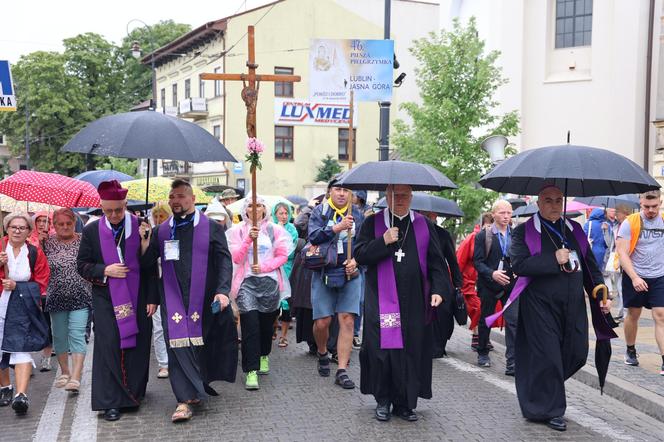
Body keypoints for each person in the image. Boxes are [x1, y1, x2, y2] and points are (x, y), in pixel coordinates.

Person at [509, 185, 613, 431]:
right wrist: (553, 260)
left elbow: (589, 266)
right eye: (548, 200)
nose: (554, 205)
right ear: (538, 202)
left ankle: (541, 389)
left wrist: (600, 292)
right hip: (539, 305)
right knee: (549, 356)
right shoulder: (523, 231)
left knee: (577, 352)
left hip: (573, 304)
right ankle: (551, 409)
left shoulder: (574, 229)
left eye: (558, 200)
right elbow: (519, 265)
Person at [141, 179, 238, 422]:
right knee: (177, 346)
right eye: (172, 197)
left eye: (182, 196)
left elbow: (224, 261)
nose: (176, 201)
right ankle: (183, 400)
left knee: (198, 344)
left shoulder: (210, 227)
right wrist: (144, 242)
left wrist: (223, 291)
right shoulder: (161, 231)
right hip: (172, 296)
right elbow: (147, 265)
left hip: (203, 297)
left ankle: (197, 386)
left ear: (193, 199)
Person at [354, 184, 447, 422]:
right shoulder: (372, 223)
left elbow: (437, 262)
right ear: (387, 196)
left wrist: (438, 289)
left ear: (411, 197)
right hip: (382, 299)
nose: (401, 200)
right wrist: (383, 241)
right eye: (395, 195)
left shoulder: (424, 224)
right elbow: (361, 256)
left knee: (411, 349)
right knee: (383, 348)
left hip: (416, 300)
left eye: (405, 195)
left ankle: (405, 403)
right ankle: (383, 400)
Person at [77, 180, 157, 422]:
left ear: (125, 205)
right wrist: (105, 269)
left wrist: (146, 244)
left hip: (139, 295)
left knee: (137, 344)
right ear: (101, 207)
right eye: (108, 210)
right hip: (105, 298)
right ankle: (110, 401)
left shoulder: (140, 225)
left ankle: (132, 395)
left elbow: (150, 267)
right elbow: (82, 265)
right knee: (109, 346)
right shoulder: (92, 230)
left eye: (118, 210)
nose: (113, 215)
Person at [226, 195, 291, 391]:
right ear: (245, 210)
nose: (255, 209)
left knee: (265, 325)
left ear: (265, 209)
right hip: (246, 284)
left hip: (269, 283)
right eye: (251, 206)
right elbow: (236, 258)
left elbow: (283, 256)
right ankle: (251, 370)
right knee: (250, 325)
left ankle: (264, 354)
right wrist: (248, 240)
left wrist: (264, 267)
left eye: (259, 205)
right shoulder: (237, 231)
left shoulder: (274, 230)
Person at [308, 179, 364, 390]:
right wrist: (337, 228)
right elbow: (312, 236)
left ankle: (341, 370)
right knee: (322, 322)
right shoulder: (320, 212)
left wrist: (356, 261)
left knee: (347, 320)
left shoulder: (357, 214)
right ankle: (322, 351)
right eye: (338, 189)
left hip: (350, 273)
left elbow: (363, 244)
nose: (342, 193)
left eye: (346, 190)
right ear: (330, 191)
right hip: (324, 270)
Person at [0, 212, 50, 414]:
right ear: (7, 228)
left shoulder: (35, 252)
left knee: (20, 347)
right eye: (14, 227)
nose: (17, 231)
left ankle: (21, 395)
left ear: (29, 231)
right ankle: (5, 387)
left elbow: (42, 282)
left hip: (22, 307)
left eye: (22, 227)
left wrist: (18, 286)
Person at [44, 208, 92, 394]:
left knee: (77, 334)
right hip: (55, 296)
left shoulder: (84, 241)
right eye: (60, 224)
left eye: (68, 223)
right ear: (54, 226)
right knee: (59, 336)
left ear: (74, 223)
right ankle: (65, 372)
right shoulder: (46, 243)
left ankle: (76, 376)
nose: (65, 227)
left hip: (81, 295)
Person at [616, 190, 664, 374]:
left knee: (661, 315)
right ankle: (630, 349)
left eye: (654, 206)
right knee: (633, 314)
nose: (651, 210)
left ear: (660, 202)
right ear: (640, 203)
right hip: (634, 274)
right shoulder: (630, 222)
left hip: (659, 275)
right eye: (646, 206)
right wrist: (635, 277)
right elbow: (622, 253)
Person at [473, 200, 517, 374]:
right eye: (502, 213)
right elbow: (477, 262)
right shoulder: (484, 236)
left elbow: (520, 258)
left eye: (508, 213)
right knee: (486, 320)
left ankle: (512, 363)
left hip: (510, 285)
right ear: (493, 215)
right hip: (489, 285)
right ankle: (482, 352)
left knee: (513, 322)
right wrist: (492, 274)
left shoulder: (515, 235)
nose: (506, 216)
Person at [422, 211, 462, 358]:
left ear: (435, 216)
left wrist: (458, 284)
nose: (426, 216)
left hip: (440, 278)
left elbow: (452, 260)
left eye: (429, 214)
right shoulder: (412, 231)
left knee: (442, 314)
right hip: (421, 277)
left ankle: (439, 345)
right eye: (423, 214)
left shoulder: (443, 234)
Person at [456, 212, 493, 349]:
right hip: (468, 281)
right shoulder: (472, 238)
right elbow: (459, 260)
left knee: (485, 309)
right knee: (478, 308)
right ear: (483, 224)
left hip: (484, 280)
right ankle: (477, 336)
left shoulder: (495, 238)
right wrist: (457, 280)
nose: (489, 228)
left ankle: (481, 336)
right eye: (488, 224)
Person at [29, 211, 54, 372]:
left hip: (49, 287)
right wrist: (38, 243)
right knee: (29, 324)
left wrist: (46, 244)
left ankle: (46, 358)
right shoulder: (28, 239)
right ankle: (27, 362)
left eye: (45, 221)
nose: (42, 224)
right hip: (31, 287)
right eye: (39, 221)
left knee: (46, 324)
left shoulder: (53, 238)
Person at [150, 202, 172, 379]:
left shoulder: (174, 233)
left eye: (162, 216)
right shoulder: (149, 234)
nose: (158, 219)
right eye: (155, 216)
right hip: (156, 286)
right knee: (158, 327)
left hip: (173, 286)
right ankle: (163, 364)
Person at [272, 202, 298, 348]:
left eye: (286, 213)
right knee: (273, 301)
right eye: (280, 213)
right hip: (273, 268)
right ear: (275, 214)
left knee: (286, 301)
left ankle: (284, 336)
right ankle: (273, 327)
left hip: (287, 267)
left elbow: (291, 249)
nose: (283, 216)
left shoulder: (292, 229)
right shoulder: (270, 228)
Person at [609, 204, 633, 321]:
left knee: (622, 287)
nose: (616, 214)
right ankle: (620, 310)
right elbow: (611, 243)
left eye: (618, 212)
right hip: (615, 258)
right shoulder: (615, 226)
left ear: (624, 212)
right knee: (618, 287)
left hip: (625, 259)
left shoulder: (629, 224)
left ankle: (626, 312)